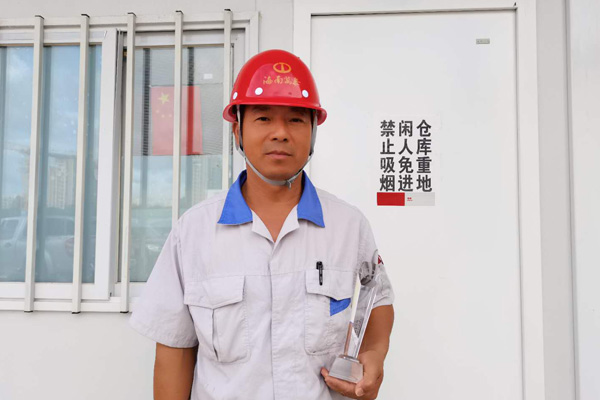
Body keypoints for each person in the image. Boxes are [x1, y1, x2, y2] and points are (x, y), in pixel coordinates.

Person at [129, 49, 395, 400]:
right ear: (237, 130)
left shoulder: (348, 226)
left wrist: (374, 354)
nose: (280, 133)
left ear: (313, 132)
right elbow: (174, 347)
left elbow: (378, 297)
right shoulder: (193, 232)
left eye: (296, 120)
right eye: (264, 118)